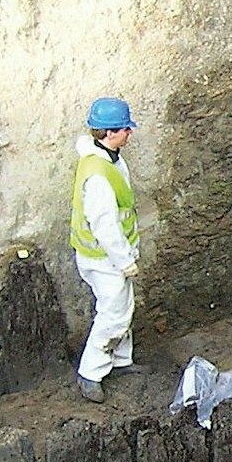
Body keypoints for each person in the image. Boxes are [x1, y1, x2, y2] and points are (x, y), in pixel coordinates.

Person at [69, 95, 145, 403]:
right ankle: (91, 372)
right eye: (126, 128)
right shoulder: (99, 175)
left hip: (108, 257)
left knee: (124, 307)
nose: (130, 133)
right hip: (104, 259)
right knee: (112, 316)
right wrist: (125, 260)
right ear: (110, 132)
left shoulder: (107, 159)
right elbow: (106, 226)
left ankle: (120, 361)